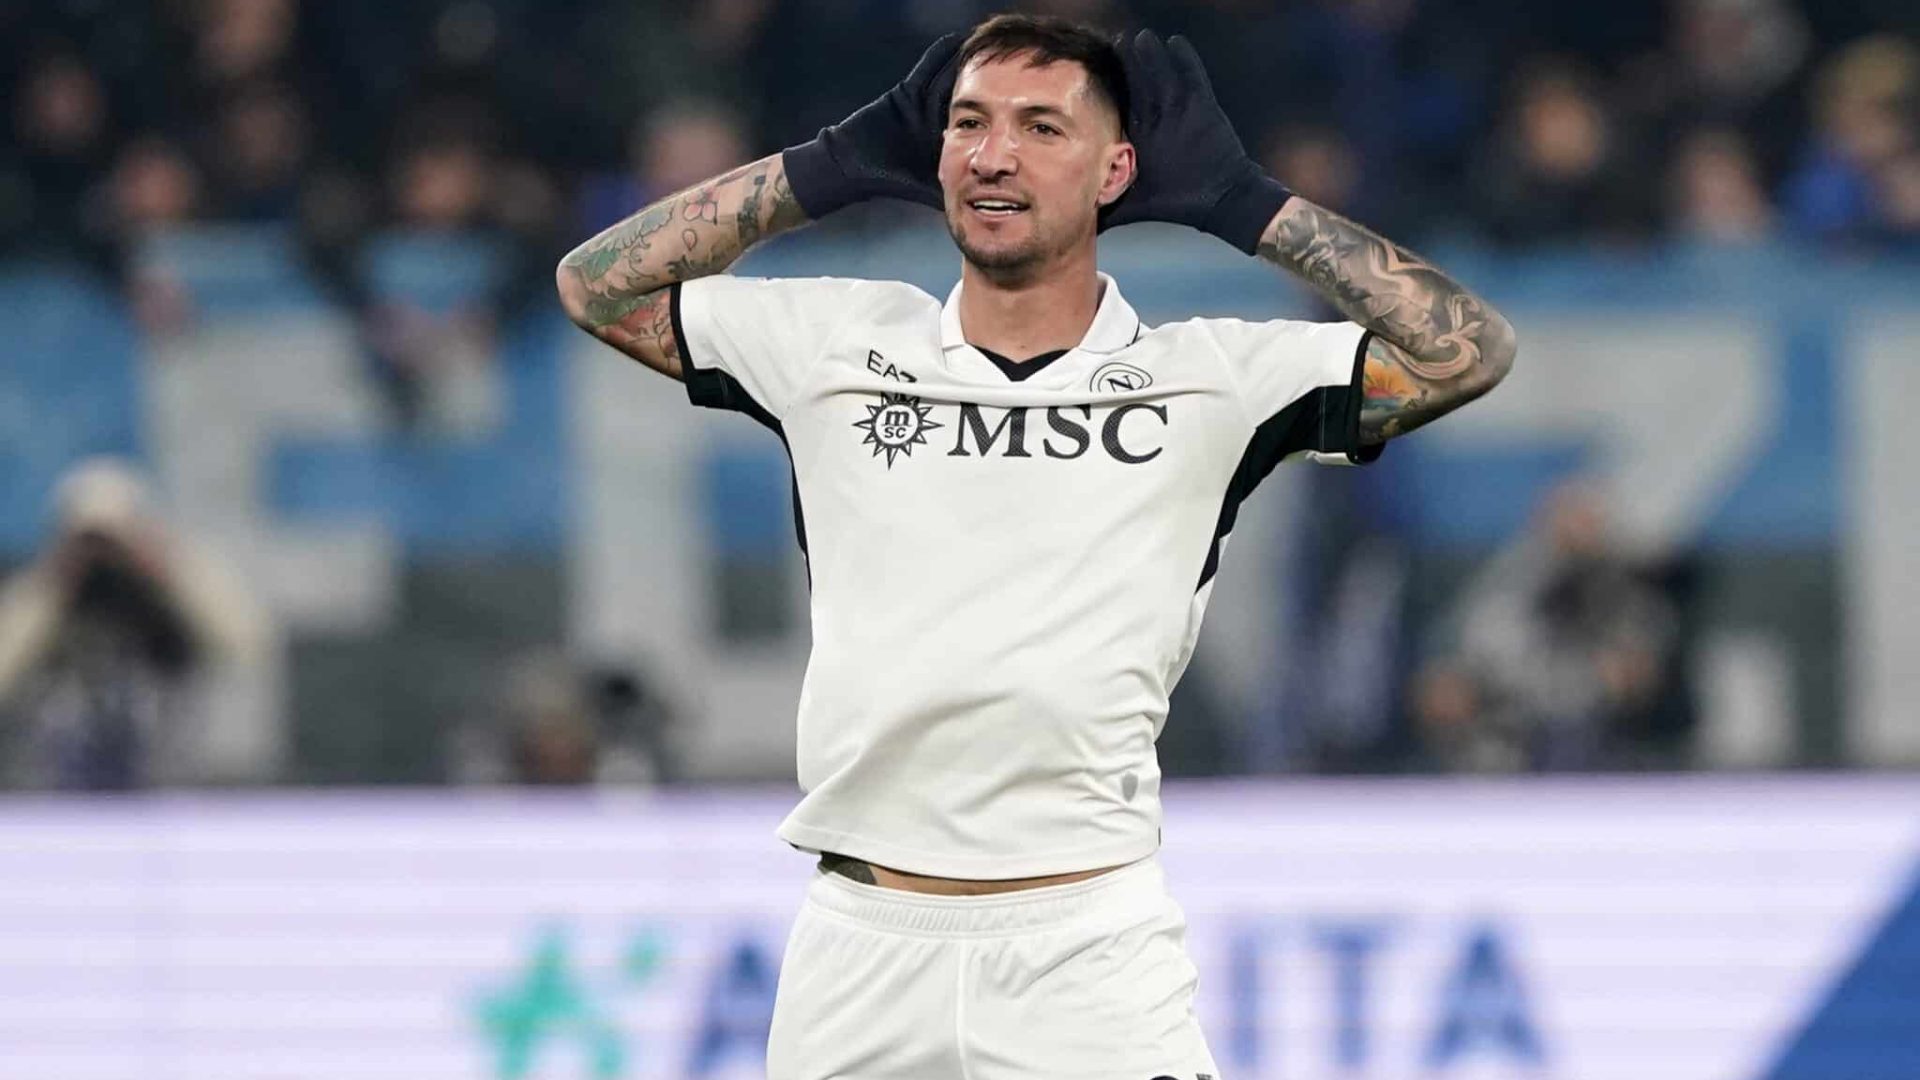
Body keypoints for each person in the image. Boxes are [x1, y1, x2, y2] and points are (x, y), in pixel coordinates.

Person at [556, 14, 1515, 1079]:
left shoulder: (1210, 378)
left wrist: (1248, 205)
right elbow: (597, 285)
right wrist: (832, 165)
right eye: (968, 123)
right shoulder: (837, 340)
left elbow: (1466, 353)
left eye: (1041, 127)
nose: (994, 153)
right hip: (858, 953)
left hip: (1087, 952)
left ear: (1119, 171)